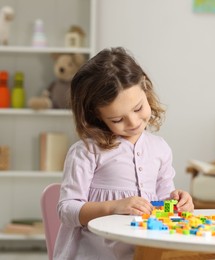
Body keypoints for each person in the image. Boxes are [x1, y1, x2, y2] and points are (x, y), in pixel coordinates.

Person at [54, 47, 194, 260]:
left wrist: (178, 202)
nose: (133, 123)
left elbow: (165, 200)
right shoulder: (86, 151)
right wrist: (113, 206)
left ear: (145, 88)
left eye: (138, 108)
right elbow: (67, 211)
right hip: (94, 254)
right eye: (117, 120)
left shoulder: (159, 149)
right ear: (97, 115)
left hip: (142, 253)